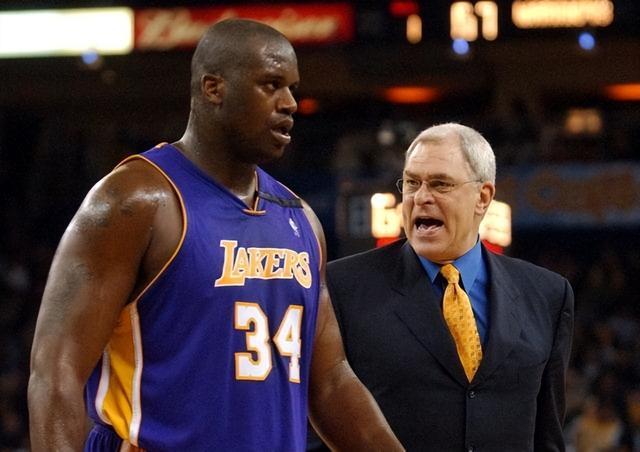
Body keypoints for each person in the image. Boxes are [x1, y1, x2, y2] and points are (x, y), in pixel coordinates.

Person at [28, 19, 403, 452]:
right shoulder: (137, 199)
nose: (290, 104)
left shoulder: (300, 219)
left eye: (292, 89)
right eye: (271, 85)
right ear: (213, 88)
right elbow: (55, 373)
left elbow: (331, 381)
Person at [318, 123, 574, 451]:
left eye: (440, 184)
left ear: (483, 197)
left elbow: (548, 437)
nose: (421, 197)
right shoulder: (342, 286)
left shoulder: (548, 294)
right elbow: (321, 425)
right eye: (412, 183)